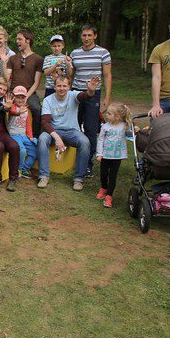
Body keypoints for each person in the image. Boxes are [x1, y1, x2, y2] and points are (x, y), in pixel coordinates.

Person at [37, 74, 99, 191]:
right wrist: (57, 137)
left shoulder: (73, 95)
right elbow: (45, 123)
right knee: (42, 139)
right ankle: (43, 176)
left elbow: (85, 96)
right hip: (54, 131)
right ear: (54, 87)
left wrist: (91, 91)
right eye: (59, 86)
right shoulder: (47, 100)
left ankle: (78, 179)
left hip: (72, 131)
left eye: (64, 86)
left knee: (85, 142)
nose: (62, 88)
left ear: (69, 87)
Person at [69, 24, 112, 177]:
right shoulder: (75, 53)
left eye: (89, 35)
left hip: (93, 94)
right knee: (74, 126)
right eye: (84, 35)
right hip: (76, 92)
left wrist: (107, 97)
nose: (86, 38)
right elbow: (71, 74)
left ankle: (88, 164)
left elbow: (107, 75)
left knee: (90, 128)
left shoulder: (103, 53)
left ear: (95, 36)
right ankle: (72, 159)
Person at [4, 29, 44, 137]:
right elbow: (6, 77)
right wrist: (4, 62)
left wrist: (26, 96)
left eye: (20, 39)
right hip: (13, 92)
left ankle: (34, 137)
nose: (17, 41)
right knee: (1, 106)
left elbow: (36, 82)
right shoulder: (13, 58)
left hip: (29, 92)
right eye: (17, 39)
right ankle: (4, 135)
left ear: (28, 41)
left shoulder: (38, 59)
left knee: (36, 109)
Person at [96, 102, 131, 208]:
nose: (106, 115)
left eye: (109, 114)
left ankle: (109, 195)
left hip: (117, 156)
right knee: (103, 174)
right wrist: (99, 154)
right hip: (105, 156)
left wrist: (135, 130)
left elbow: (130, 133)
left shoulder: (124, 126)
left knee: (112, 176)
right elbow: (100, 140)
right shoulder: (105, 127)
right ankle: (103, 188)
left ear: (117, 116)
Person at [7, 86, 38, 179]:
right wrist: (18, 112)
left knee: (35, 150)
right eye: (18, 97)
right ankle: (18, 170)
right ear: (13, 97)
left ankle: (25, 168)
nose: (20, 100)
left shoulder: (26, 109)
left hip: (24, 135)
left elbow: (28, 124)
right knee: (22, 150)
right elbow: (12, 112)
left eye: (22, 97)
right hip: (14, 134)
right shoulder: (11, 107)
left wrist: (30, 136)